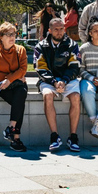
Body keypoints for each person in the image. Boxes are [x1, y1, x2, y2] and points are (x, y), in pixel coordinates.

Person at [34, 18, 82, 152]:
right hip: (49, 81)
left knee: (76, 97)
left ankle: (73, 137)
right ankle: (54, 136)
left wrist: (64, 80)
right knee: (48, 96)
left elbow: (75, 66)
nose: (59, 32)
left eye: (61, 29)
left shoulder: (72, 44)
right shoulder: (41, 46)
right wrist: (54, 82)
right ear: (49, 30)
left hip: (68, 79)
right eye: (56, 29)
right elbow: (40, 68)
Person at [0, 22, 28, 152]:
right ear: (1, 37)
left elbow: (23, 69)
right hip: (0, 85)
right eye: (8, 34)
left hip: (16, 85)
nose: (12, 37)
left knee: (21, 93)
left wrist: (10, 79)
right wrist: (13, 77)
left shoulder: (20, 50)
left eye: (14, 34)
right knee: (19, 102)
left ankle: (11, 129)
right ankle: (15, 139)